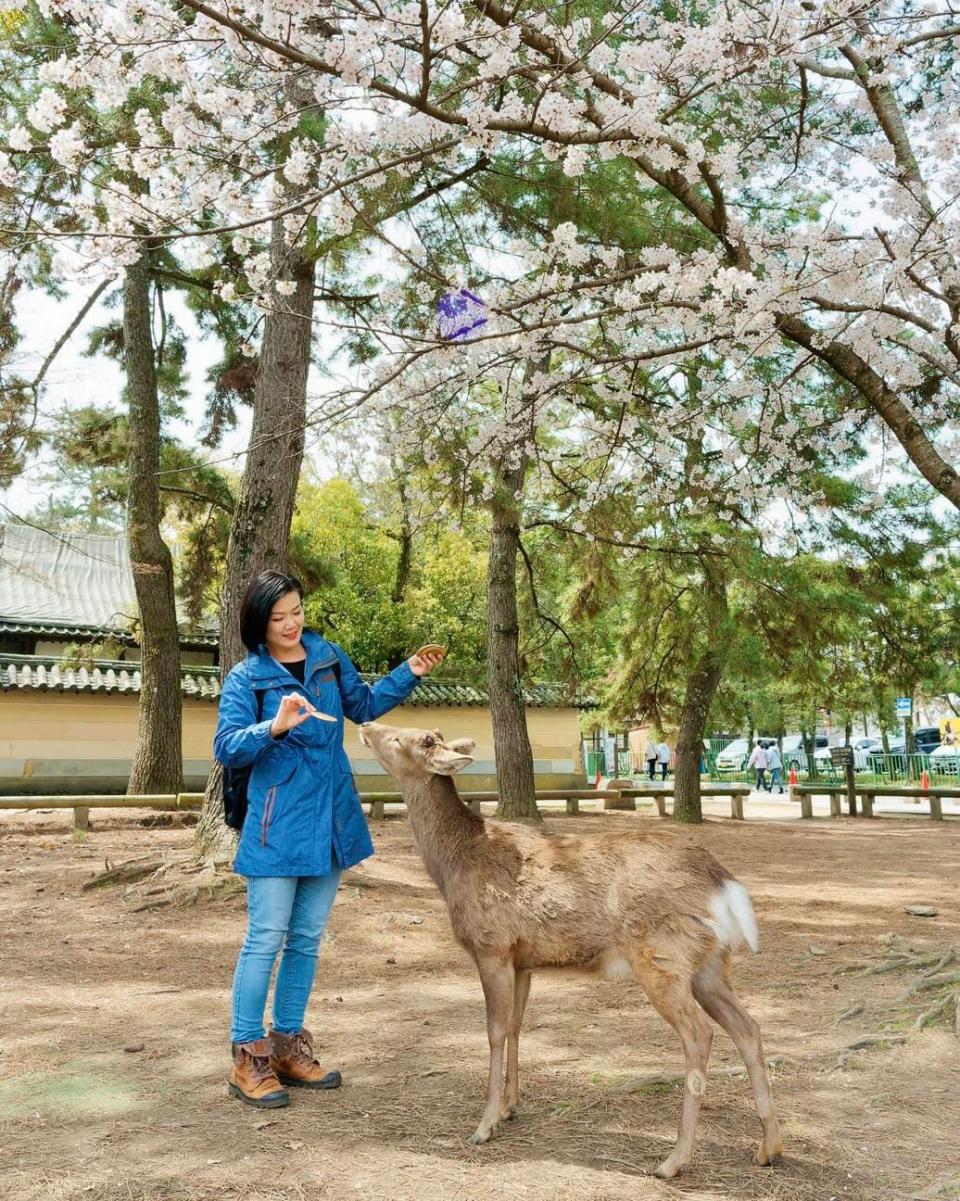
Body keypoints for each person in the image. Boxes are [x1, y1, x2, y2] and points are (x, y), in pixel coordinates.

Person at [214, 570, 443, 1109]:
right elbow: (227, 747)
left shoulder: (327, 657)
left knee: (307, 937)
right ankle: (249, 1057)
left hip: (331, 814)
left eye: (297, 611)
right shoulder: (248, 679)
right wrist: (275, 726)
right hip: (275, 820)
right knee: (265, 937)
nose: (292, 623)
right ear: (258, 624)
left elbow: (361, 707)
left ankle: (288, 1045)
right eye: (279, 617)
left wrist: (408, 671)